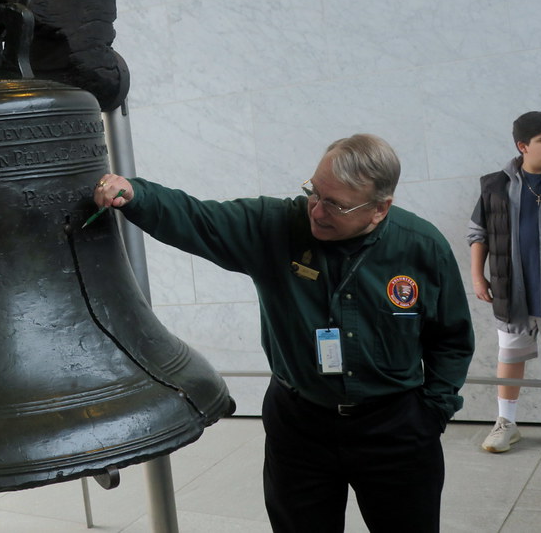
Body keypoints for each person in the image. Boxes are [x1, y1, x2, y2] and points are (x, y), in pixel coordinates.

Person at [92, 133, 473, 533]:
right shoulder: (275, 226)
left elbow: (451, 337)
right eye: (314, 192)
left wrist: (433, 411)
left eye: (336, 205)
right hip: (300, 427)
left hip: (395, 429)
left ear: (380, 209)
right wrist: (136, 195)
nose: (318, 212)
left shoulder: (421, 248)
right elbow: (199, 219)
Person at [468, 111, 541, 453]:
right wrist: (477, 276)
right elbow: (478, 232)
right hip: (512, 290)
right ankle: (507, 423)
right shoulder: (494, 185)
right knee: (510, 357)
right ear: (522, 146)